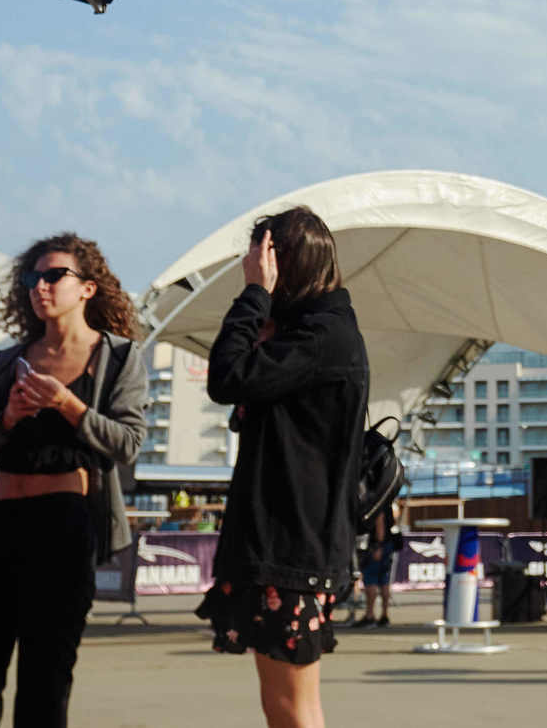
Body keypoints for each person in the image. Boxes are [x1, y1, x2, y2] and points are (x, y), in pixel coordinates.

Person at [0, 234, 147, 728]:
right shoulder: (9, 359)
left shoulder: (118, 358)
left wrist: (69, 404)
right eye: (33, 278)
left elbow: (127, 442)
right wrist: (10, 418)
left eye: (54, 275)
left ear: (87, 288)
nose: (41, 286)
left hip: (63, 526)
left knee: (44, 681)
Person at [199, 208, 369, 728]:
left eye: (262, 260)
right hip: (286, 543)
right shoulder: (311, 332)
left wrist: (254, 296)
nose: (254, 269)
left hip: (293, 547)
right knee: (281, 703)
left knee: (294, 706)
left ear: (284, 263)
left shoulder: (322, 336)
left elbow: (225, 377)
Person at [349, 502, 402, 628]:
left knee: (371, 579)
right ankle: (384, 615)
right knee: (384, 581)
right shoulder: (388, 503)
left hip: (379, 545)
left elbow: (380, 521)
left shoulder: (378, 502)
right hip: (387, 544)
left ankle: (370, 615)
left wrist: (378, 544)